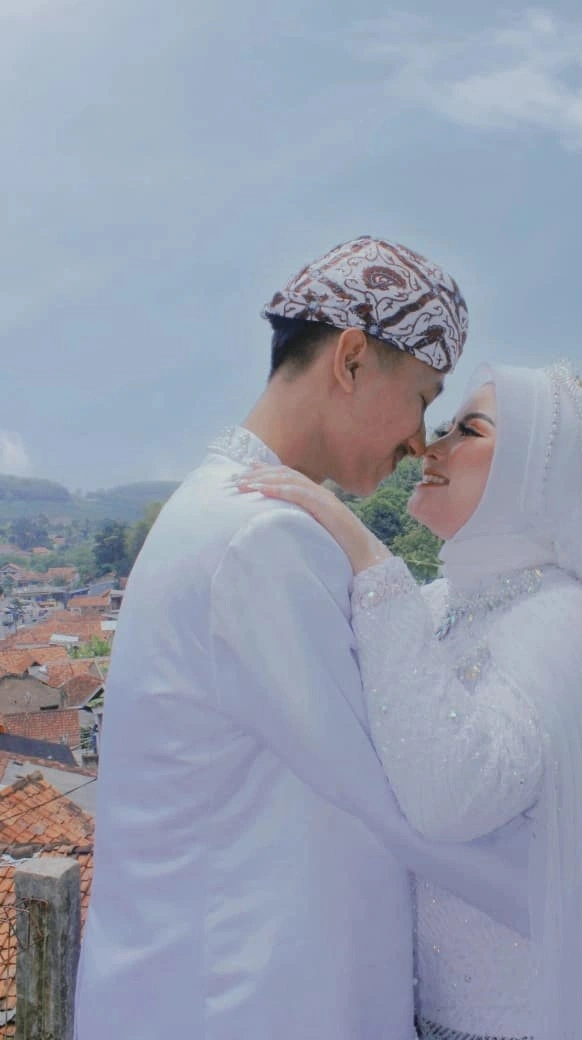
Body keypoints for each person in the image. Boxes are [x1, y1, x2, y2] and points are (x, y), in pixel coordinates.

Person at [75, 235, 502, 1040]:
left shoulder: (215, 507)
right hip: (250, 999)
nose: (421, 440)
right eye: (422, 397)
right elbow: (402, 790)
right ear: (352, 359)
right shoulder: (264, 536)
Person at [238, 363, 582, 1039]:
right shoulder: (436, 603)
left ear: (537, 475)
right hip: (408, 1006)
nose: (428, 446)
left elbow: (451, 796)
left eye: (469, 430)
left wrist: (369, 558)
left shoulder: (571, 620)